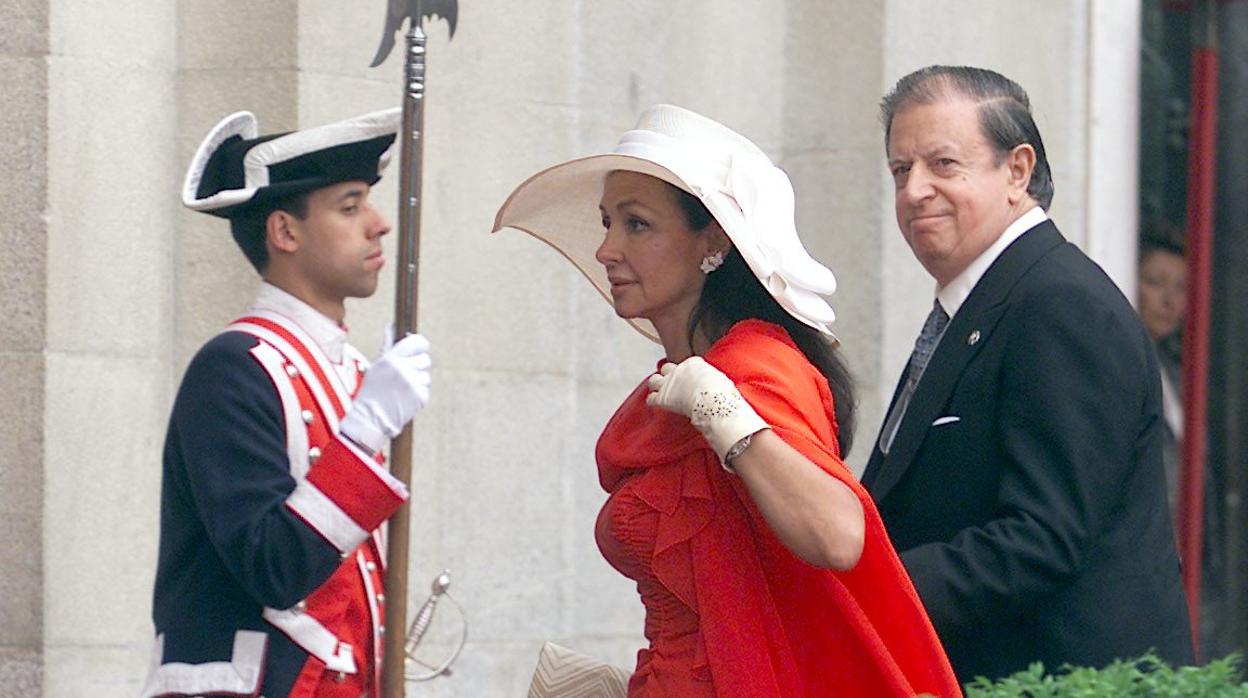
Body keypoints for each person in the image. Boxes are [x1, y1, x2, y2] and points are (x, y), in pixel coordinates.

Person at [494, 105, 960, 697]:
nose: (606, 249)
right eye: (607, 221)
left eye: (636, 224)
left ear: (712, 240)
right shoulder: (686, 381)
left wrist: (724, 413)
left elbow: (839, 536)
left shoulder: (753, 366)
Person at [860, 65, 1194, 684]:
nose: (914, 191)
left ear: (1017, 170)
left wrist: (869, 589)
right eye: (901, 170)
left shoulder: (1058, 303)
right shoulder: (987, 300)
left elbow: (1043, 537)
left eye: (943, 164)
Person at [142, 108, 433, 697]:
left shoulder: (349, 369)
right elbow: (273, 568)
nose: (377, 224)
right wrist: (365, 431)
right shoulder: (235, 366)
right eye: (349, 207)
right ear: (286, 232)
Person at [1137, 230, 1187, 511]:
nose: (1169, 301)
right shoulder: (1124, 368)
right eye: (1155, 282)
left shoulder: (1176, 373)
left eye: (1181, 287)